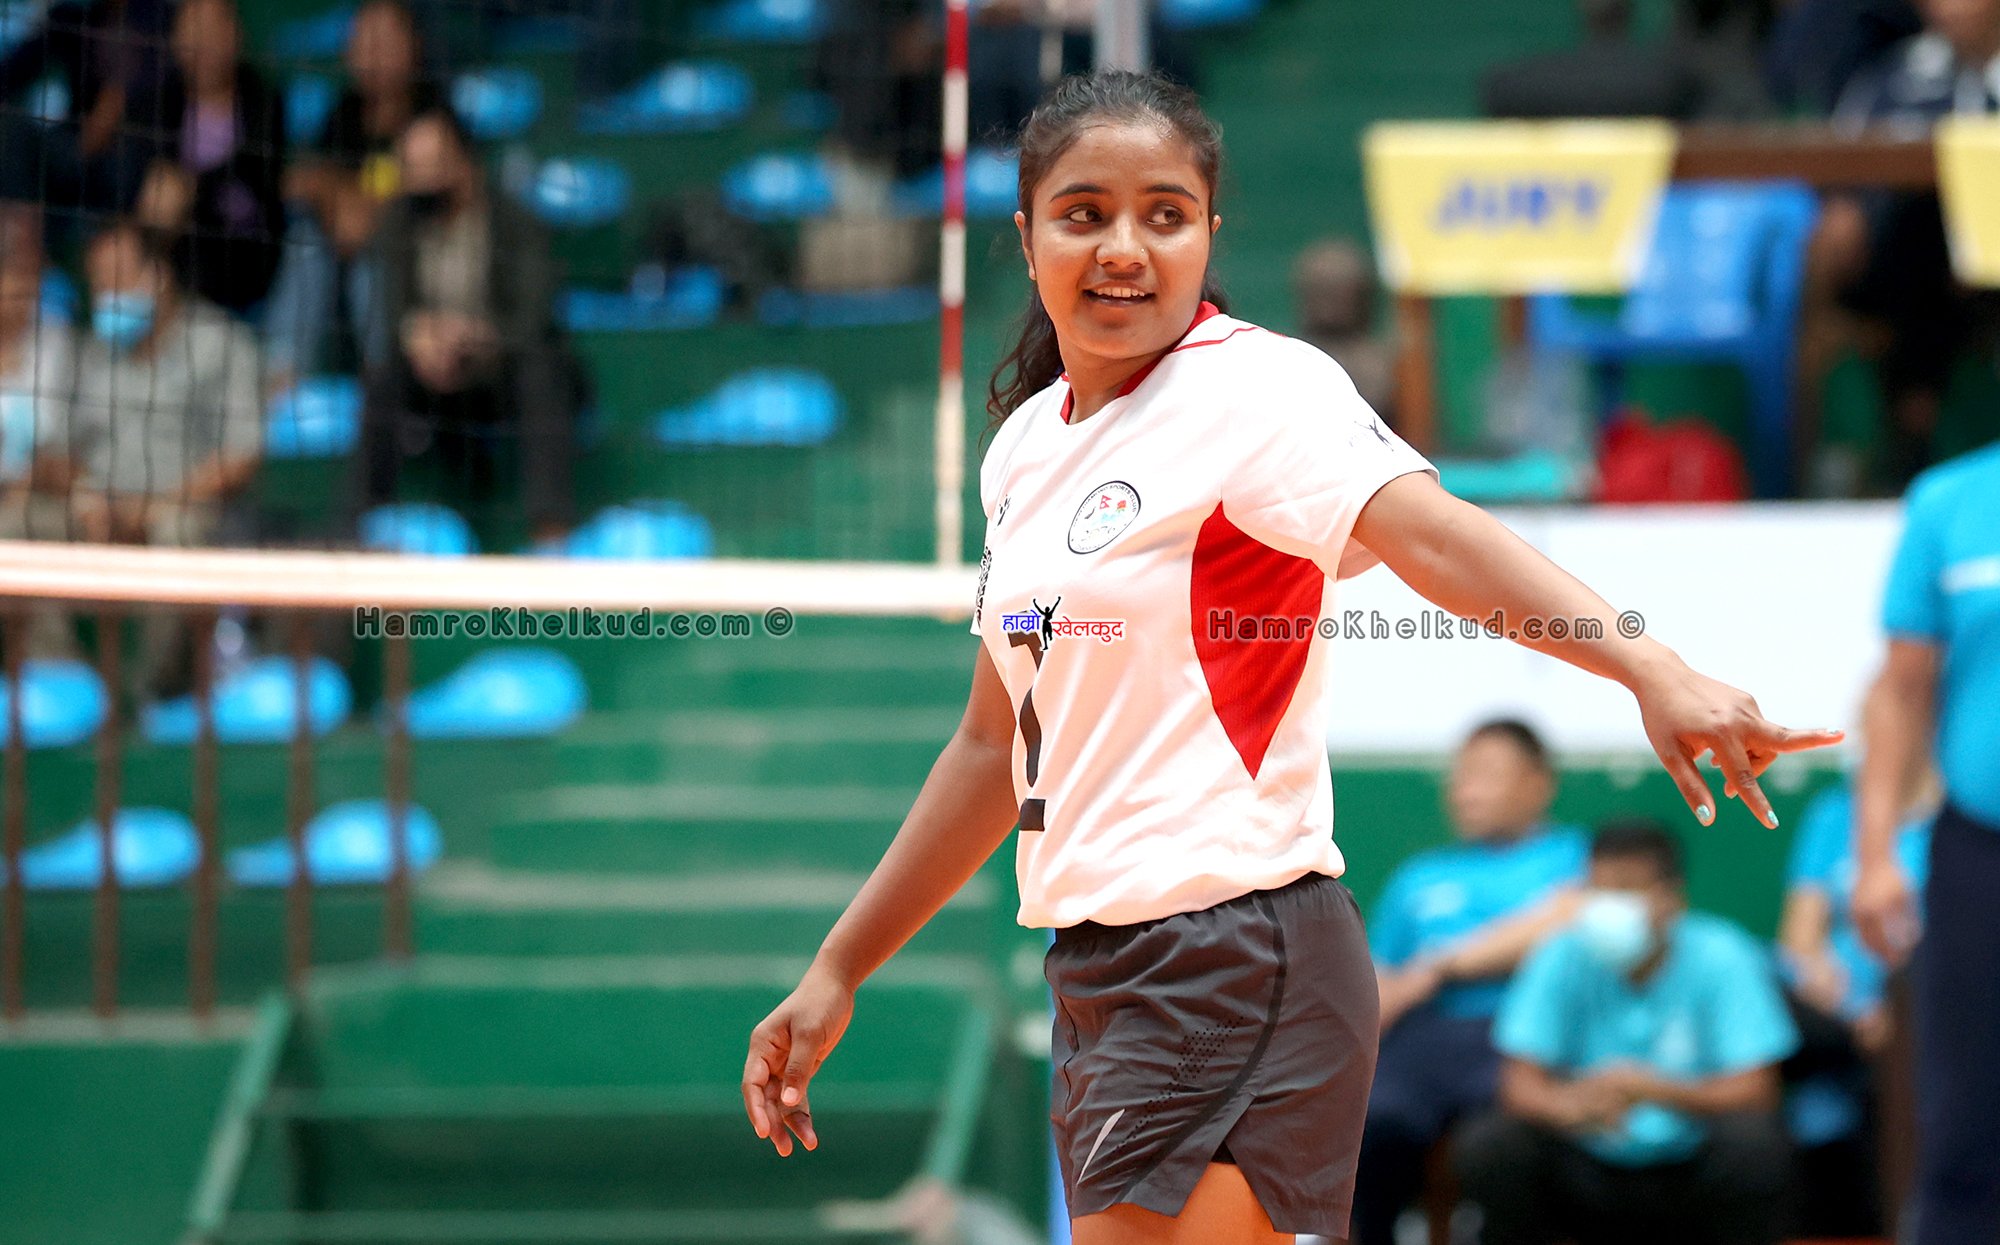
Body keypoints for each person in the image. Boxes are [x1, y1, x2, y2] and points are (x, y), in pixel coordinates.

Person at [739, 71, 1840, 1245]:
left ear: (1208, 234)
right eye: (1083, 213)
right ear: (1025, 237)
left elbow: (1436, 538)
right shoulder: (1020, 453)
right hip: (1101, 964)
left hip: (1228, 949)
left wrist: (1647, 667)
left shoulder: (1255, 390)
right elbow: (986, 749)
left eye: (1165, 214)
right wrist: (839, 966)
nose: (1123, 247)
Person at [1453, 820, 1801, 1245]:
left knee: (1755, 1146)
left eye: (1627, 890)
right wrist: (1567, 1105)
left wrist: (1655, 1091)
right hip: (1587, 1162)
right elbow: (1518, 1084)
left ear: (1672, 898)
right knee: (1491, 1145)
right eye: (1597, 890)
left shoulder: (1724, 955)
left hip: (1689, 1167)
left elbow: (1757, 1089)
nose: (1608, 907)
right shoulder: (1559, 953)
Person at [1352, 720, 1589, 1245]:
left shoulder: (1575, 856)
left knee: (1502, 1141)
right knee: (1373, 1121)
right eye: (1460, 776)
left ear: (1538, 784)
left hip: (1521, 1032)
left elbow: (1568, 918)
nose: (1466, 791)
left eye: (1487, 775)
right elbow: (1381, 985)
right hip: (1423, 1037)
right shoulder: (1419, 876)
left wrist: (1442, 966)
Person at [1852, 438, 2000, 1245]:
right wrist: (1875, 855)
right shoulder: (1950, 501)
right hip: (1980, 852)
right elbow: (1900, 691)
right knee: (1968, 1118)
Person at [354, 107, 580, 547]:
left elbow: (533, 316)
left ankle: (551, 535)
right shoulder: (400, 221)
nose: (419, 179)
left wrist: (474, 336)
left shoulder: (516, 221)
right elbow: (394, 308)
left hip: (500, 373)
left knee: (542, 370)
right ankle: (358, 531)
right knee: (382, 380)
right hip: (433, 376)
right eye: (410, 167)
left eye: (430, 164)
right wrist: (420, 336)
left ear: (464, 161)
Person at [58, 220, 260, 693]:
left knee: (177, 533)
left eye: (118, 278)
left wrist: (156, 507)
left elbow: (241, 456)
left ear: (160, 276)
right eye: (98, 284)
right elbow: (62, 450)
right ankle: (63, 685)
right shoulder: (92, 352)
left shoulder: (220, 342)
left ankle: (150, 693)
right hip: (101, 509)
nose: (107, 295)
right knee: (23, 524)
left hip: (188, 508)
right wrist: (86, 494)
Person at [1819, 0, 2000, 488]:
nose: (1948, 8)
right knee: (1913, 236)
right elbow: (1838, 162)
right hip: (1907, 262)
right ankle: (1831, 462)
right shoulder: (1897, 74)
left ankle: (1911, 433)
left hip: (1983, 259)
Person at [1776, 772, 1933, 1237]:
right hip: (1839, 1016)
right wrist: (1850, 1004)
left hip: (1930, 1011)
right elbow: (1799, 937)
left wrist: (1898, 1015)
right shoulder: (1834, 813)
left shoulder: (1965, 816)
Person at [269, 0, 442, 383]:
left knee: (371, 265)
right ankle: (280, 380)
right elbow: (298, 182)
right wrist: (348, 202)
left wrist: (348, 199)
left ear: (414, 46)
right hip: (336, 257)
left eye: (383, 41)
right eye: (361, 42)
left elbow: (416, 201)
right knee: (306, 242)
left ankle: (384, 385)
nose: (371, 54)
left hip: (413, 267)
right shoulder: (343, 112)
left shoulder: (433, 113)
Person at [134, 0, 287, 317]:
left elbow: (257, 167)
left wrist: (192, 186)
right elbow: (148, 176)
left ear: (235, 35)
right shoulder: (161, 101)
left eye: (212, 30)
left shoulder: (262, 96)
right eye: (191, 32)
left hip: (251, 253)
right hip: (183, 246)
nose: (202, 44)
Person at [1291, 238, 1397, 428]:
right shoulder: (1287, 358)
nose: (1327, 301)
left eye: (1337, 289)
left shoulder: (1382, 364)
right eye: (1320, 289)